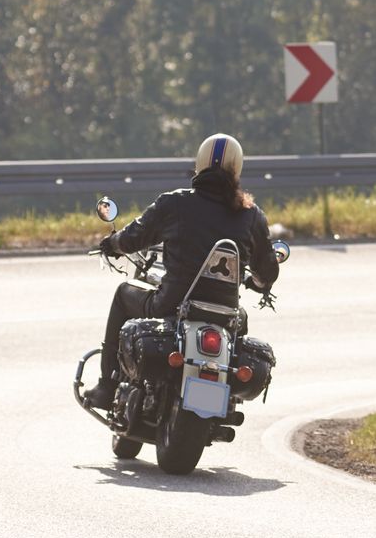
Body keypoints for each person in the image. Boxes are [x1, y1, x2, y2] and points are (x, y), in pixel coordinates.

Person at [84, 133, 280, 409]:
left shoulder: (175, 203)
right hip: (225, 312)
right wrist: (259, 283)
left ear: (199, 164)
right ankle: (227, 399)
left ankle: (107, 386)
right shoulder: (252, 216)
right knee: (241, 322)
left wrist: (112, 243)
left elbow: (133, 238)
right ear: (237, 168)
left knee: (123, 293)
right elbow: (267, 272)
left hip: (171, 304)